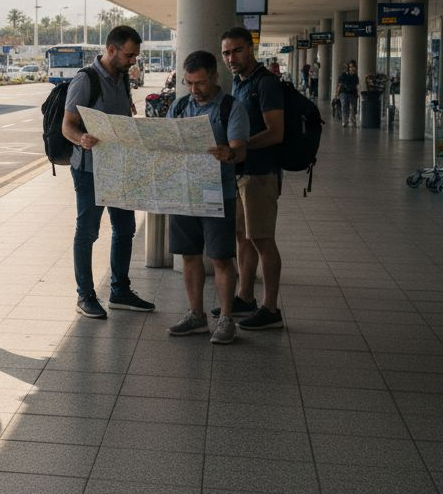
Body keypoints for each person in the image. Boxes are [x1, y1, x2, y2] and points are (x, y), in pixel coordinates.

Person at [61, 25, 154, 319]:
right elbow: (68, 126)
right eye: (129, 55)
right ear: (111, 50)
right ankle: (85, 296)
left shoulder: (123, 78)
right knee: (87, 232)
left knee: (125, 228)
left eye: (135, 56)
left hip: (119, 166)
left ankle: (119, 290)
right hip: (89, 170)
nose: (132, 62)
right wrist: (81, 138)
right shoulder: (85, 80)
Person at [165, 50, 248, 344]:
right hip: (183, 193)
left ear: (214, 77)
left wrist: (230, 152)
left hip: (217, 195)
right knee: (189, 255)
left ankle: (226, 320)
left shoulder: (231, 107)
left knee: (221, 258)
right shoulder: (178, 107)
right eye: (188, 83)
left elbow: (240, 147)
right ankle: (196, 315)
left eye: (199, 83)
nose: (194, 90)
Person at [221, 26, 284, 330]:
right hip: (242, 172)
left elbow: (276, 132)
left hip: (260, 174)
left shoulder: (266, 83)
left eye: (237, 50)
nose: (231, 57)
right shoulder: (239, 82)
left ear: (250, 48)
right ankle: (245, 297)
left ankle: (271, 308)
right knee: (242, 237)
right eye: (226, 53)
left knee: (262, 240)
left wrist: (242, 147)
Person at [337, 61, 361, 126]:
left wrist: (359, 93)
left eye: (353, 67)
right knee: (344, 106)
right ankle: (345, 121)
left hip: (353, 93)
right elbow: (340, 84)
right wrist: (336, 95)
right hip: (344, 93)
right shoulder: (343, 75)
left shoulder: (355, 76)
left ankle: (353, 120)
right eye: (350, 67)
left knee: (353, 107)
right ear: (348, 68)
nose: (352, 68)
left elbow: (357, 85)